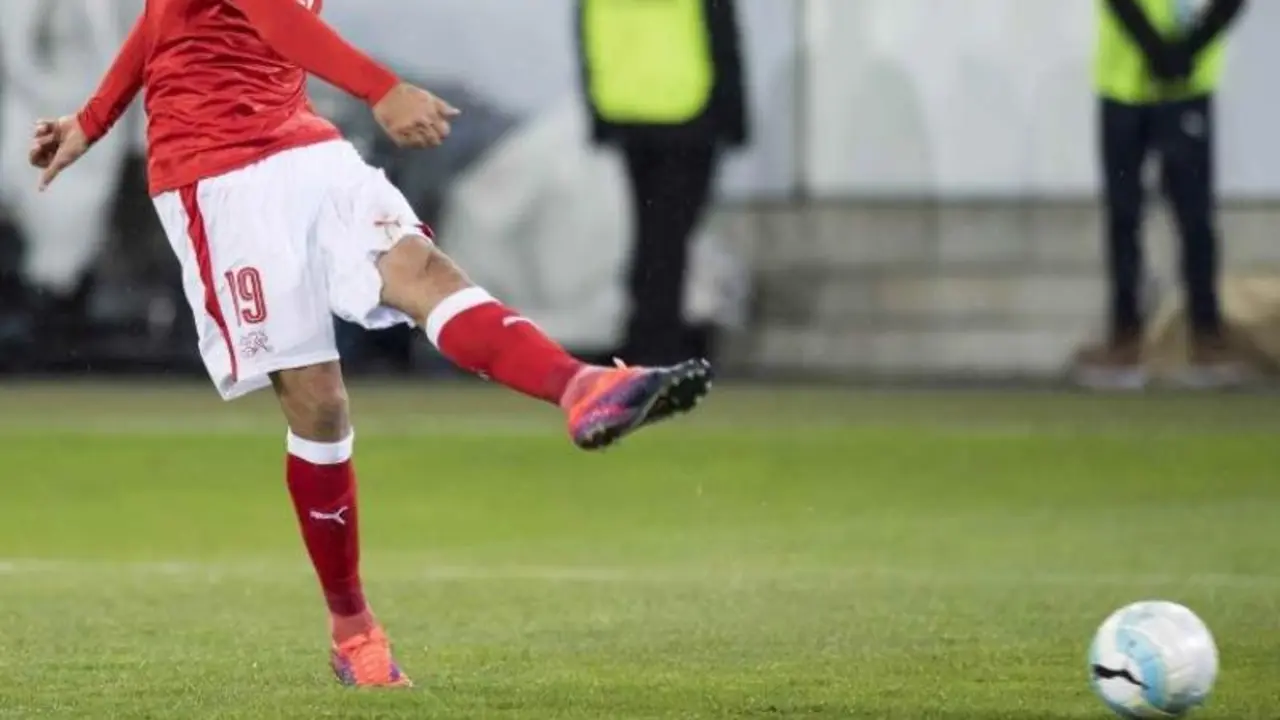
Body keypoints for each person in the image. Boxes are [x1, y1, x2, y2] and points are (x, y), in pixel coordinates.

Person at [28, 0, 712, 688]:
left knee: (422, 270)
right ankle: (352, 629)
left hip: (303, 143)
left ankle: (580, 386)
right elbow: (268, 16)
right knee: (320, 404)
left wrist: (90, 120)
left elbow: (161, 15)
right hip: (217, 173)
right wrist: (382, 88)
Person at [1075, 0, 1247, 390]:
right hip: (1122, 86)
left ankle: (1206, 338)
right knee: (1123, 216)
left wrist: (1190, 49)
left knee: (1194, 217)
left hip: (1188, 83)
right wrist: (1155, 48)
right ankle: (1125, 338)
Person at [576, 0, 748, 366]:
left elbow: (589, 29)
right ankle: (657, 344)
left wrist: (598, 113)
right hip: (689, 107)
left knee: (653, 233)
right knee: (668, 239)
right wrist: (735, 117)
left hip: (626, 107)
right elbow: (719, 28)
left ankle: (643, 336)